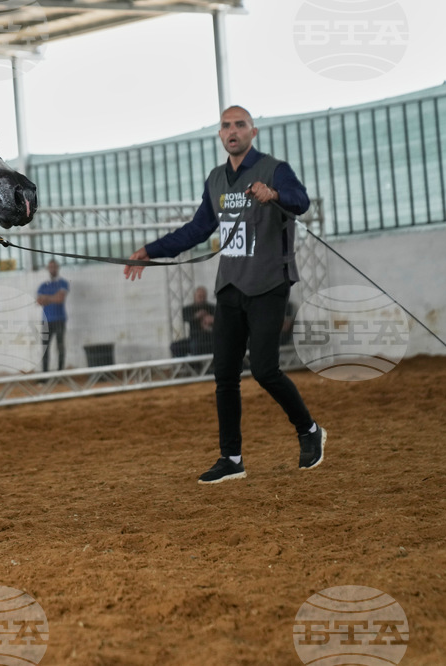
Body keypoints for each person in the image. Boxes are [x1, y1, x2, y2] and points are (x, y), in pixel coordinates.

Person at [124, 105, 326, 484]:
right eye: (225, 126)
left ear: (253, 132)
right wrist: (150, 250)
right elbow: (197, 230)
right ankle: (231, 458)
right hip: (230, 286)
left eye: (239, 125)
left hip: (268, 283)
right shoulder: (216, 179)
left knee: (266, 370)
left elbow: (302, 201)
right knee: (225, 376)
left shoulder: (274, 169)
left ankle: (309, 430)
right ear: (220, 135)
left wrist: (275, 193)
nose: (232, 131)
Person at [36, 259, 69, 372]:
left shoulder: (63, 283)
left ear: (58, 268)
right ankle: (45, 374)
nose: (52, 269)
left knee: (60, 347)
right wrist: (53, 298)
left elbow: (60, 299)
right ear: (48, 269)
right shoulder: (43, 285)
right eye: (50, 267)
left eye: (54, 267)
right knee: (45, 348)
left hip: (59, 319)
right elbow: (39, 301)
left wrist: (47, 298)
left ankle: (60, 372)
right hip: (46, 321)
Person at [170, 286, 215, 358]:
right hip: (194, 337)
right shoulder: (188, 309)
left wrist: (212, 319)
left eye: (204, 297)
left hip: (208, 339)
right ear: (194, 297)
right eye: (200, 297)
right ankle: (188, 365)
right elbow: (186, 318)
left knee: (195, 346)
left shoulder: (212, 308)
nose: (202, 299)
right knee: (175, 346)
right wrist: (197, 316)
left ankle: (199, 368)